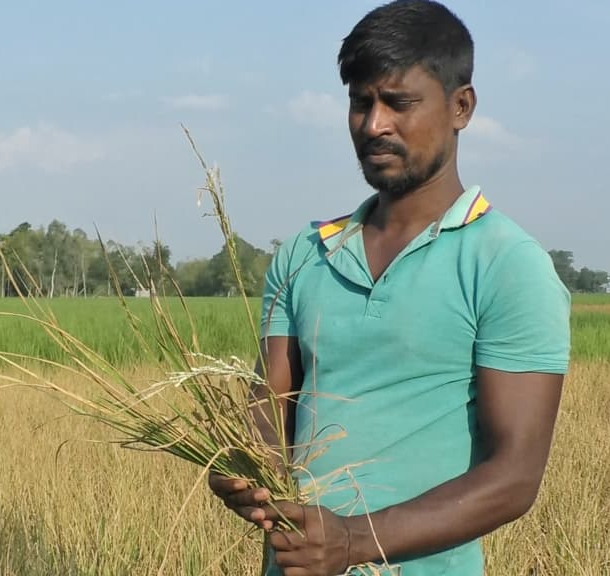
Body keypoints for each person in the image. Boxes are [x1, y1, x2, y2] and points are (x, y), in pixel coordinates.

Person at [207, 1, 572, 575]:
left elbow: (515, 477)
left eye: (398, 102)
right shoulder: (306, 254)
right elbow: (269, 411)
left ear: (461, 107)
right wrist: (239, 465)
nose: (374, 124)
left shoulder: (505, 263)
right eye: (360, 102)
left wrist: (351, 541)